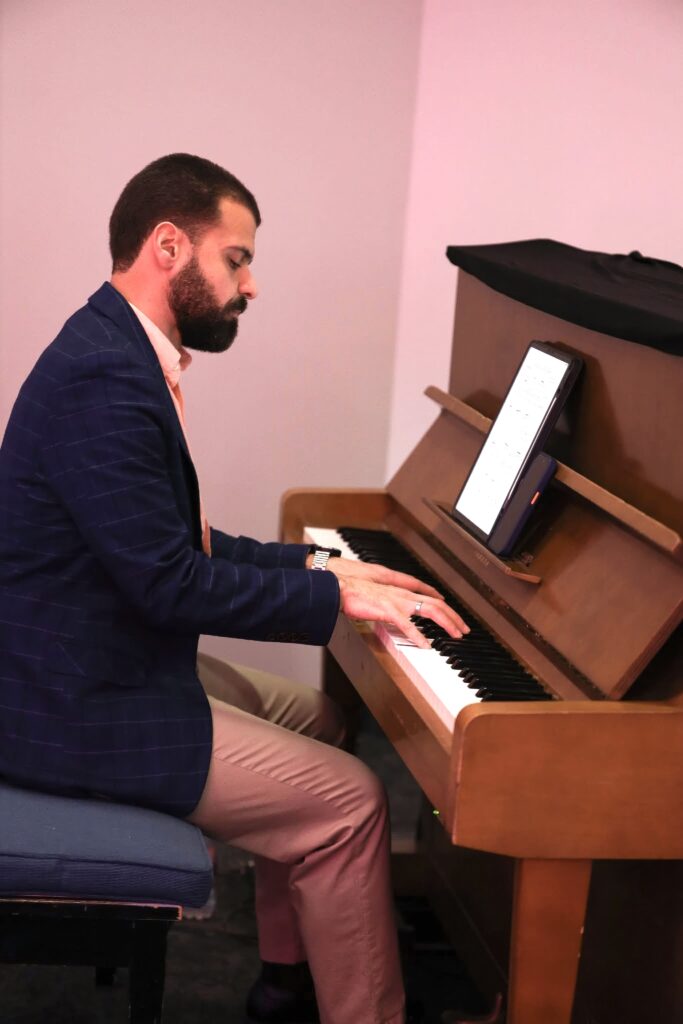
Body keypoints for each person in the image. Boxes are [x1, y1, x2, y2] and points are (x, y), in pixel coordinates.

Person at [0, 154, 467, 1024]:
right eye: (237, 259)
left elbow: (189, 547)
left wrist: (322, 570)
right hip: (72, 703)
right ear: (168, 246)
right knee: (352, 804)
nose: (252, 286)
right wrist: (335, 604)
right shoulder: (104, 378)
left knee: (323, 721)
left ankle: (284, 979)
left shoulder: (118, 351)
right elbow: (173, 587)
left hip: (103, 660)